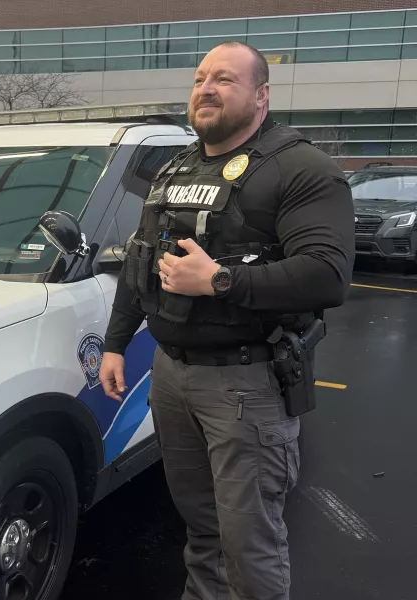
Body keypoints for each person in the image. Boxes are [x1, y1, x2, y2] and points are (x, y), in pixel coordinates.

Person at [99, 41, 355, 600]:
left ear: (261, 96)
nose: (206, 89)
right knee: (202, 528)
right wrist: (115, 343)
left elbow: (327, 275)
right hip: (171, 376)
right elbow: (142, 260)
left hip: (247, 384)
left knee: (249, 542)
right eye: (199, 79)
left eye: (224, 79)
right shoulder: (177, 166)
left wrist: (219, 281)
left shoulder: (302, 169)